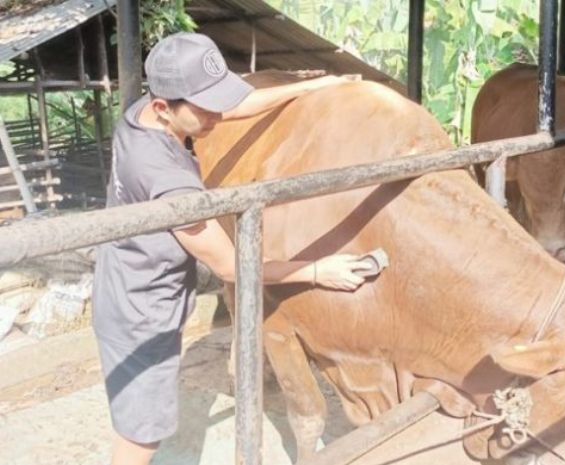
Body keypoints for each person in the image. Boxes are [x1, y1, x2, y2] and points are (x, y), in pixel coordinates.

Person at [91, 32, 372, 465]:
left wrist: (312, 86)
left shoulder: (142, 114)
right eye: (206, 108)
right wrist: (317, 271)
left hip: (137, 269)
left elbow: (234, 107)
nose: (218, 116)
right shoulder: (168, 180)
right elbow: (233, 267)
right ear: (166, 107)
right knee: (141, 435)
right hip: (141, 309)